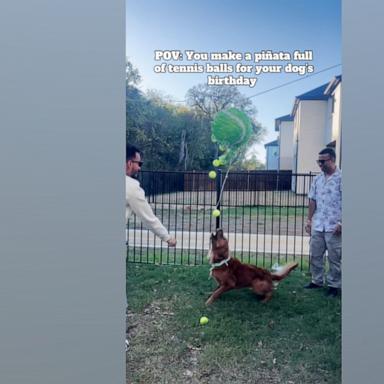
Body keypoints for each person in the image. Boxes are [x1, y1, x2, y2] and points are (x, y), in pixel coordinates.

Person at [304, 147, 342, 297]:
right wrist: (309, 220)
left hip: (335, 226)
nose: (319, 164)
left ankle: (334, 286)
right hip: (318, 224)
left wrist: (342, 223)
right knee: (315, 254)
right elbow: (312, 199)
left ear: (332, 159)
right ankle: (317, 281)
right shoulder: (318, 179)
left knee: (334, 258)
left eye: (322, 161)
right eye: (318, 161)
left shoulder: (342, 178)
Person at [126, 144, 176, 246]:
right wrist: (168, 238)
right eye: (139, 163)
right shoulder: (131, 186)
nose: (139, 168)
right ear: (129, 163)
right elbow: (148, 218)